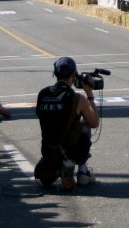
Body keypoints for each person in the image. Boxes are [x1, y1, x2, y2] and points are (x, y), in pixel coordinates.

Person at [34, 57, 99, 191]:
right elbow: (94, 123)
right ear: (73, 75)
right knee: (84, 124)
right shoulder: (77, 98)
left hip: (49, 147)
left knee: (41, 176)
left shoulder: (43, 94)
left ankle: (61, 168)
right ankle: (82, 170)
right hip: (71, 147)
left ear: (55, 74)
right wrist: (90, 94)